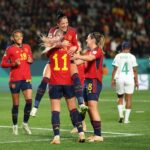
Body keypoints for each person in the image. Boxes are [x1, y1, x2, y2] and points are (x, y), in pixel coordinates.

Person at [30, 10, 88, 117]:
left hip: (67, 59)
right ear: (58, 24)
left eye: (66, 23)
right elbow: (48, 45)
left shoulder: (73, 31)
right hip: (54, 59)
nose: (65, 25)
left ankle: (81, 103)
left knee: (76, 77)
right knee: (45, 80)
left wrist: (73, 48)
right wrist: (61, 44)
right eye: (63, 24)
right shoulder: (52, 31)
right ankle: (35, 106)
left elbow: (76, 45)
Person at [46, 32, 85, 144]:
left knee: (55, 111)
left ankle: (57, 137)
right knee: (73, 109)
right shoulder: (70, 48)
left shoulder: (51, 50)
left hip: (55, 83)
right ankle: (81, 133)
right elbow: (74, 56)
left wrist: (55, 44)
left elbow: (47, 51)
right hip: (68, 82)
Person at [72, 32, 104, 142]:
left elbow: (90, 58)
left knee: (92, 107)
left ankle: (98, 135)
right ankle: (94, 133)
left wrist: (78, 56)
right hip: (87, 82)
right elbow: (78, 61)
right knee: (86, 108)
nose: (86, 40)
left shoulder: (97, 51)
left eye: (87, 38)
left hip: (94, 81)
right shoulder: (89, 52)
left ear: (93, 40)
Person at [1, 29, 33, 135]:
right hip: (15, 79)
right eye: (17, 37)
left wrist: (30, 60)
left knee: (29, 101)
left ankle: (25, 123)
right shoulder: (9, 49)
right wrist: (13, 64)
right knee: (16, 104)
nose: (19, 38)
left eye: (21, 36)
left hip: (26, 78)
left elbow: (31, 59)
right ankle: (15, 126)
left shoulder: (27, 47)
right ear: (13, 38)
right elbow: (3, 64)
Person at [111, 41, 138, 123]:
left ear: (122, 48)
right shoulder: (132, 57)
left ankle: (120, 115)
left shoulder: (118, 56)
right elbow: (135, 70)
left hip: (120, 78)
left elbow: (115, 69)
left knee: (120, 97)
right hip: (130, 78)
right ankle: (126, 120)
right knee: (129, 99)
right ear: (129, 48)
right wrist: (136, 81)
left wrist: (112, 80)